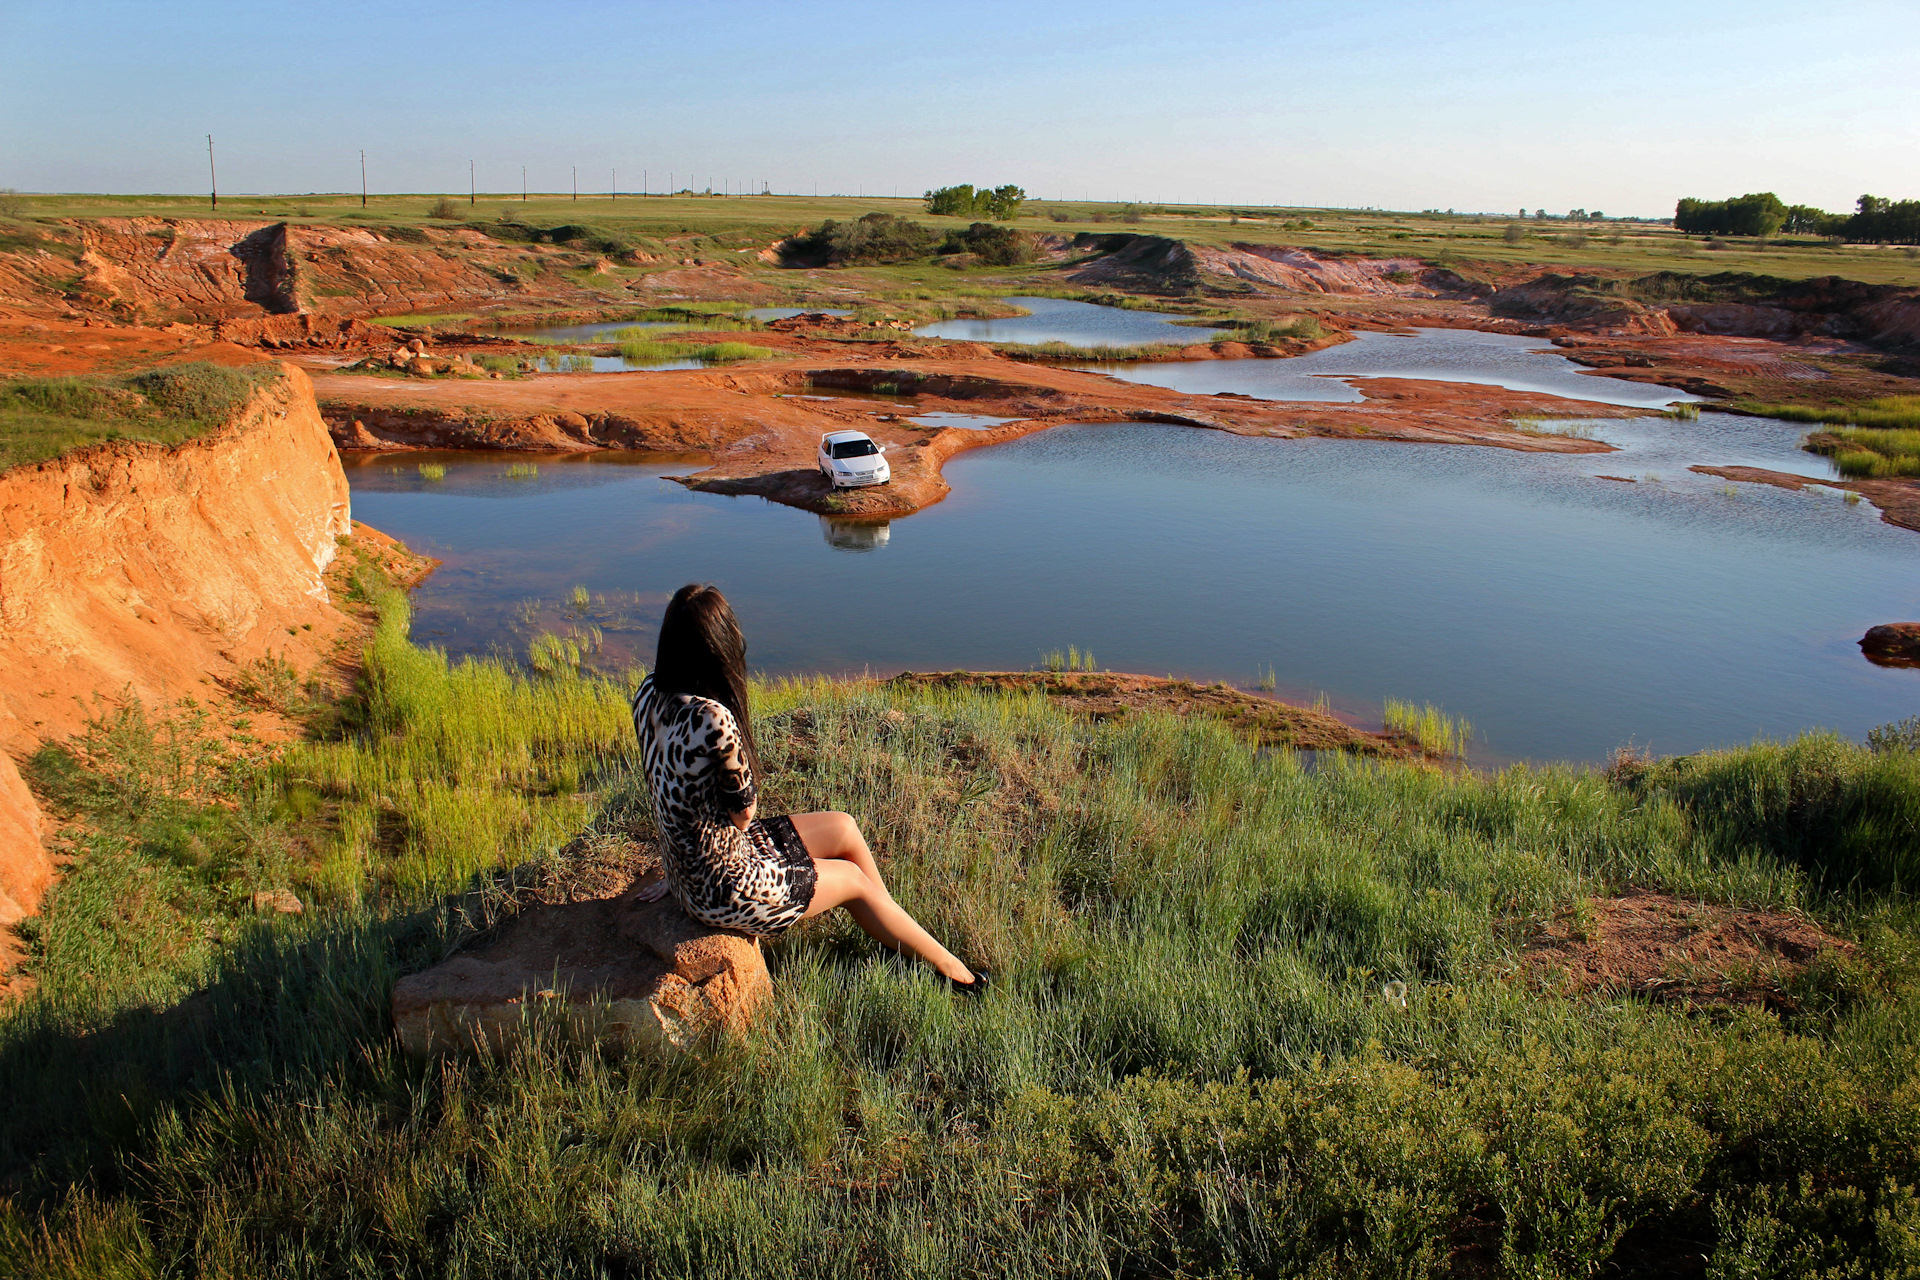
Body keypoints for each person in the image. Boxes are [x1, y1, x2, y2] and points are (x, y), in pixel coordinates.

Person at [630, 583, 988, 995]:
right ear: (718, 647)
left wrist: (677, 871)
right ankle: (955, 974)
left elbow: (664, 791)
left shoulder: (647, 692)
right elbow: (744, 813)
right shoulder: (712, 718)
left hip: (694, 871)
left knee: (843, 827)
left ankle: (894, 928)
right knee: (853, 878)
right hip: (727, 887)